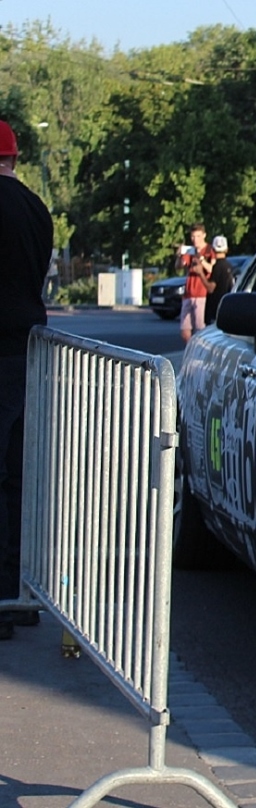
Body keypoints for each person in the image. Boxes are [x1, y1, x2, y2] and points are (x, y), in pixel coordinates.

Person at [0, 119, 53, 639]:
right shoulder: (36, 208)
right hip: (29, 351)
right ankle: (18, 595)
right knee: (19, 478)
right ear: (13, 159)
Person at [177, 223, 217, 342]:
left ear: (204, 235)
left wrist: (201, 258)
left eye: (198, 236)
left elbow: (212, 269)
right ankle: (190, 350)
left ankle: (200, 355)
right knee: (185, 330)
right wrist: (180, 256)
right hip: (189, 292)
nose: (195, 240)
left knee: (200, 329)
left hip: (202, 293)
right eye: (193, 237)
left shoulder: (209, 250)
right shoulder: (190, 251)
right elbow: (179, 266)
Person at [205, 235, 236, 323]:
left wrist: (200, 273)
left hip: (216, 308)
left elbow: (211, 288)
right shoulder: (229, 266)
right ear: (226, 249)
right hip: (226, 307)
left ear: (213, 250)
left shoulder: (217, 266)